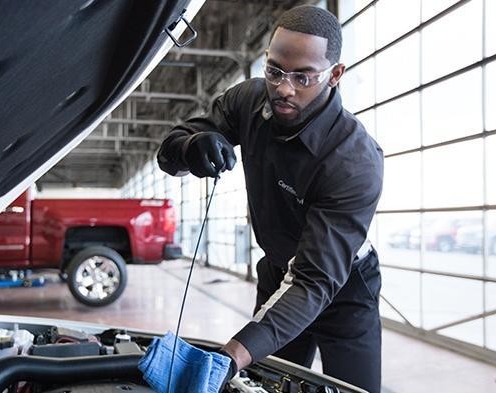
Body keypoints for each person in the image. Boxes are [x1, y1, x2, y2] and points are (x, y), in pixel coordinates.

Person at [156, 5, 384, 392]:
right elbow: (169, 154)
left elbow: (313, 281)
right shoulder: (249, 99)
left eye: (303, 77)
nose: (283, 88)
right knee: (270, 384)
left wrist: (229, 357)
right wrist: (191, 147)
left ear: (335, 74)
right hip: (279, 271)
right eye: (275, 70)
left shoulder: (354, 160)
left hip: (342, 288)